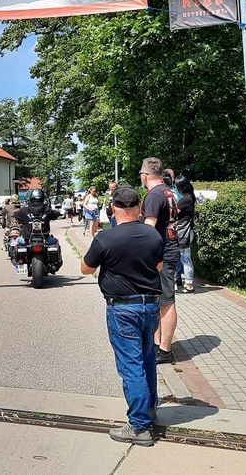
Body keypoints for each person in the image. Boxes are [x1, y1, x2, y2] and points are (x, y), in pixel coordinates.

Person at [81, 186, 163, 446]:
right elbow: (158, 265)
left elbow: (85, 269)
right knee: (148, 359)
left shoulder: (106, 238)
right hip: (150, 307)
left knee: (131, 366)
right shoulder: (153, 236)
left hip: (122, 309)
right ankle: (149, 410)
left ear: (113, 208)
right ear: (139, 208)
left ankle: (139, 427)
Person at [140, 157, 180, 364]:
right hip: (168, 251)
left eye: (141, 175)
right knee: (161, 299)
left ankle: (164, 350)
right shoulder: (167, 191)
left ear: (145, 176)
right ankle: (158, 344)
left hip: (162, 255)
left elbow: (149, 229)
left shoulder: (154, 195)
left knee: (165, 301)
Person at [173, 175, 197, 293]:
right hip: (187, 231)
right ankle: (187, 283)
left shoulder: (185, 199)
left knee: (185, 258)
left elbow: (174, 212)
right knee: (185, 257)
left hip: (183, 232)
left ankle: (189, 285)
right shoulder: (190, 197)